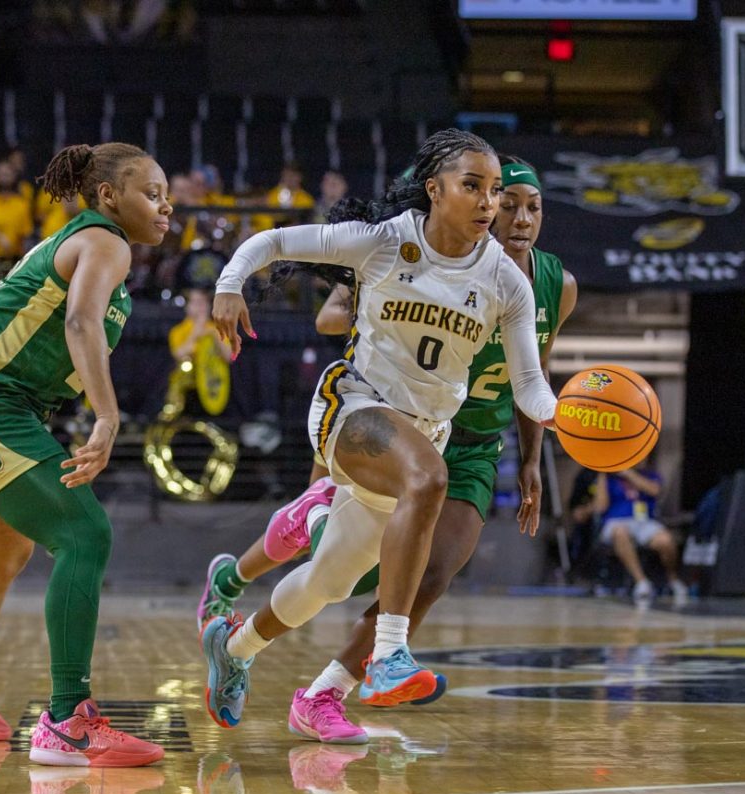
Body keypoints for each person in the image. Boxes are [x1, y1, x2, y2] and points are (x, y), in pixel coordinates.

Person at [196, 158, 576, 741]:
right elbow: (272, 240)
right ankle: (389, 655)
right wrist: (227, 285)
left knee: (327, 585)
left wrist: (567, 418)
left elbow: (530, 384)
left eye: (496, 192)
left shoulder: (510, 282)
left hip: (430, 432)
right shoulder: (385, 241)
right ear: (435, 189)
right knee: (427, 478)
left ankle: (235, 646)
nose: (491, 204)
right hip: (354, 406)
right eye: (474, 188)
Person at [0, 142, 172, 768]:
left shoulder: (93, 243)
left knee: (4, 554)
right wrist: (108, 417)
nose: (166, 209)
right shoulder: (107, 241)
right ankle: (68, 722)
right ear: (109, 196)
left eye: (167, 197)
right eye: (152, 194)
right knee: (84, 532)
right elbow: (80, 324)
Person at [595, 459, 688, 606]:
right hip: (616, 521)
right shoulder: (608, 478)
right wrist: (602, 472)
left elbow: (655, 490)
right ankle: (642, 582)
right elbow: (600, 507)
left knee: (666, 541)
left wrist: (628, 473)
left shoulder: (650, 475)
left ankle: (673, 578)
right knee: (620, 533)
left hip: (644, 522)